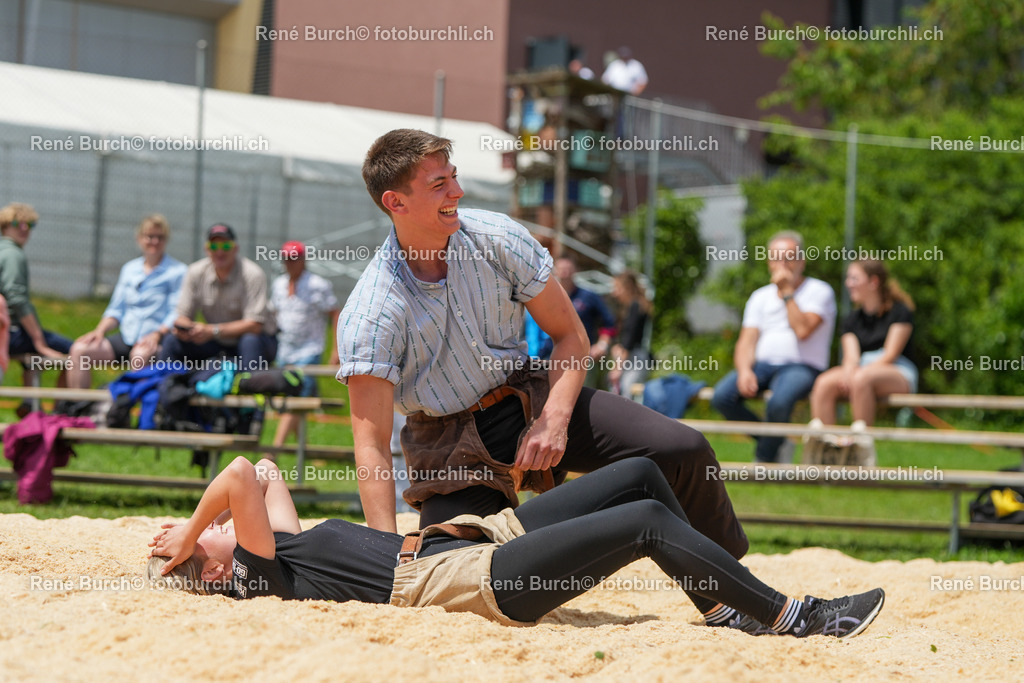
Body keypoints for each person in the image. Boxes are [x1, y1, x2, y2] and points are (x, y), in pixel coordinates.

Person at [337, 129, 749, 603]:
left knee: (684, 448)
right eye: (438, 184)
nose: (457, 192)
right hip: (447, 443)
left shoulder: (499, 237)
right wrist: (386, 555)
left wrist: (553, 420)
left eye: (454, 177)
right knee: (452, 568)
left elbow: (572, 337)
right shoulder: (372, 310)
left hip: (529, 396)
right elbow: (369, 445)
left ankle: (734, 595)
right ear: (396, 202)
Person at [147, 456, 885, 639]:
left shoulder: (281, 548)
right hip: (471, 582)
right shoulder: (254, 575)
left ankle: (723, 606)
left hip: (467, 541)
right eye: (206, 537)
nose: (211, 525)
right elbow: (239, 475)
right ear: (215, 565)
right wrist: (186, 532)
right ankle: (798, 617)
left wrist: (190, 536)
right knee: (647, 524)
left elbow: (266, 472)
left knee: (639, 477)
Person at [711, 231, 836, 463]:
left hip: (802, 366)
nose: (783, 264)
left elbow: (803, 331)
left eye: (789, 257)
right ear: (769, 262)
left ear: (802, 260)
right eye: (777, 258)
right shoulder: (760, 297)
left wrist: (788, 292)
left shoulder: (820, 291)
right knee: (722, 397)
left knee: (779, 401)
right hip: (763, 365)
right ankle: (778, 443)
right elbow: (746, 341)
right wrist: (745, 370)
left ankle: (764, 461)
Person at [67, 214, 186, 389]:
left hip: (155, 338)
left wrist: (157, 334)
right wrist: (99, 331)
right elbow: (116, 310)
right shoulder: (130, 269)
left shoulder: (178, 271)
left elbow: (176, 312)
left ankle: (130, 411)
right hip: (127, 336)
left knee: (139, 356)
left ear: (166, 240)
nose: (154, 241)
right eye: (149, 236)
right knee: (80, 350)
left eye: (159, 237)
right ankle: (77, 410)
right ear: (139, 239)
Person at [809, 260, 916, 428]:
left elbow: (890, 354)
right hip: (860, 370)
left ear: (873, 282)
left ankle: (860, 443)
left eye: (854, 278)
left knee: (861, 379)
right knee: (824, 382)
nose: (848, 284)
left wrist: (856, 373)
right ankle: (825, 443)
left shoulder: (900, 312)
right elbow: (851, 357)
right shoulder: (851, 320)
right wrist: (848, 372)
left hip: (898, 370)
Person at [158, 223, 277, 373]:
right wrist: (187, 329)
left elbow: (255, 325)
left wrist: (212, 331)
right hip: (216, 341)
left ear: (235, 248)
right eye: (214, 246)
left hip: (257, 342)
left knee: (250, 341)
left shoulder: (253, 274)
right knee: (172, 341)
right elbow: (182, 316)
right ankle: (167, 387)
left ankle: (247, 389)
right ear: (207, 249)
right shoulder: (195, 272)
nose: (220, 251)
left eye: (225, 246)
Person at [268, 240, 339, 452]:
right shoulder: (278, 284)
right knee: (293, 401)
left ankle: (273, 451)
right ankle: (304, 451)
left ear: (303, 259)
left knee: (296, 397)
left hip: (309, 350)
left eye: (294, 259)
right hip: (285, 350)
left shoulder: (318, 285)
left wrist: (336, 349)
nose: (290, 263)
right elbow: (273, 314)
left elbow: (335, 313)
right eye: (287, 259)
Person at [0, 203, 73, 384]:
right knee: (75, 352)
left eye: (30, 225)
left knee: (32, 356)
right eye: (18, 224)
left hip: (10, 332)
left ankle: (30, 403)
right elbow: (16, 298)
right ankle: (63, 409)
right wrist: (38, 340)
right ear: (5, 226)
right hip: (10, 333)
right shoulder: (12, 255)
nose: (25, 229)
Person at [554, 255, 616, 382]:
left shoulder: (588, 296)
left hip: (582, 358)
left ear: (575, 270)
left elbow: (609, 323)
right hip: (552, 356)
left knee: (582, 398)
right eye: (561, 269)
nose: (564, 273)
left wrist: (602, 345)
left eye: (568, 269)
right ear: (555, 271)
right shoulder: (550, 296)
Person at [606, 270, 651, 396]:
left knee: (626, 392)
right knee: (618, 391)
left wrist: (618, 367)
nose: (614, 293)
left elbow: (629, 339)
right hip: (629, 356)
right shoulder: (628, 308)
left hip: (634, 357)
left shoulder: (636, 307)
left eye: (617, 288)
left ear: (626, 288)